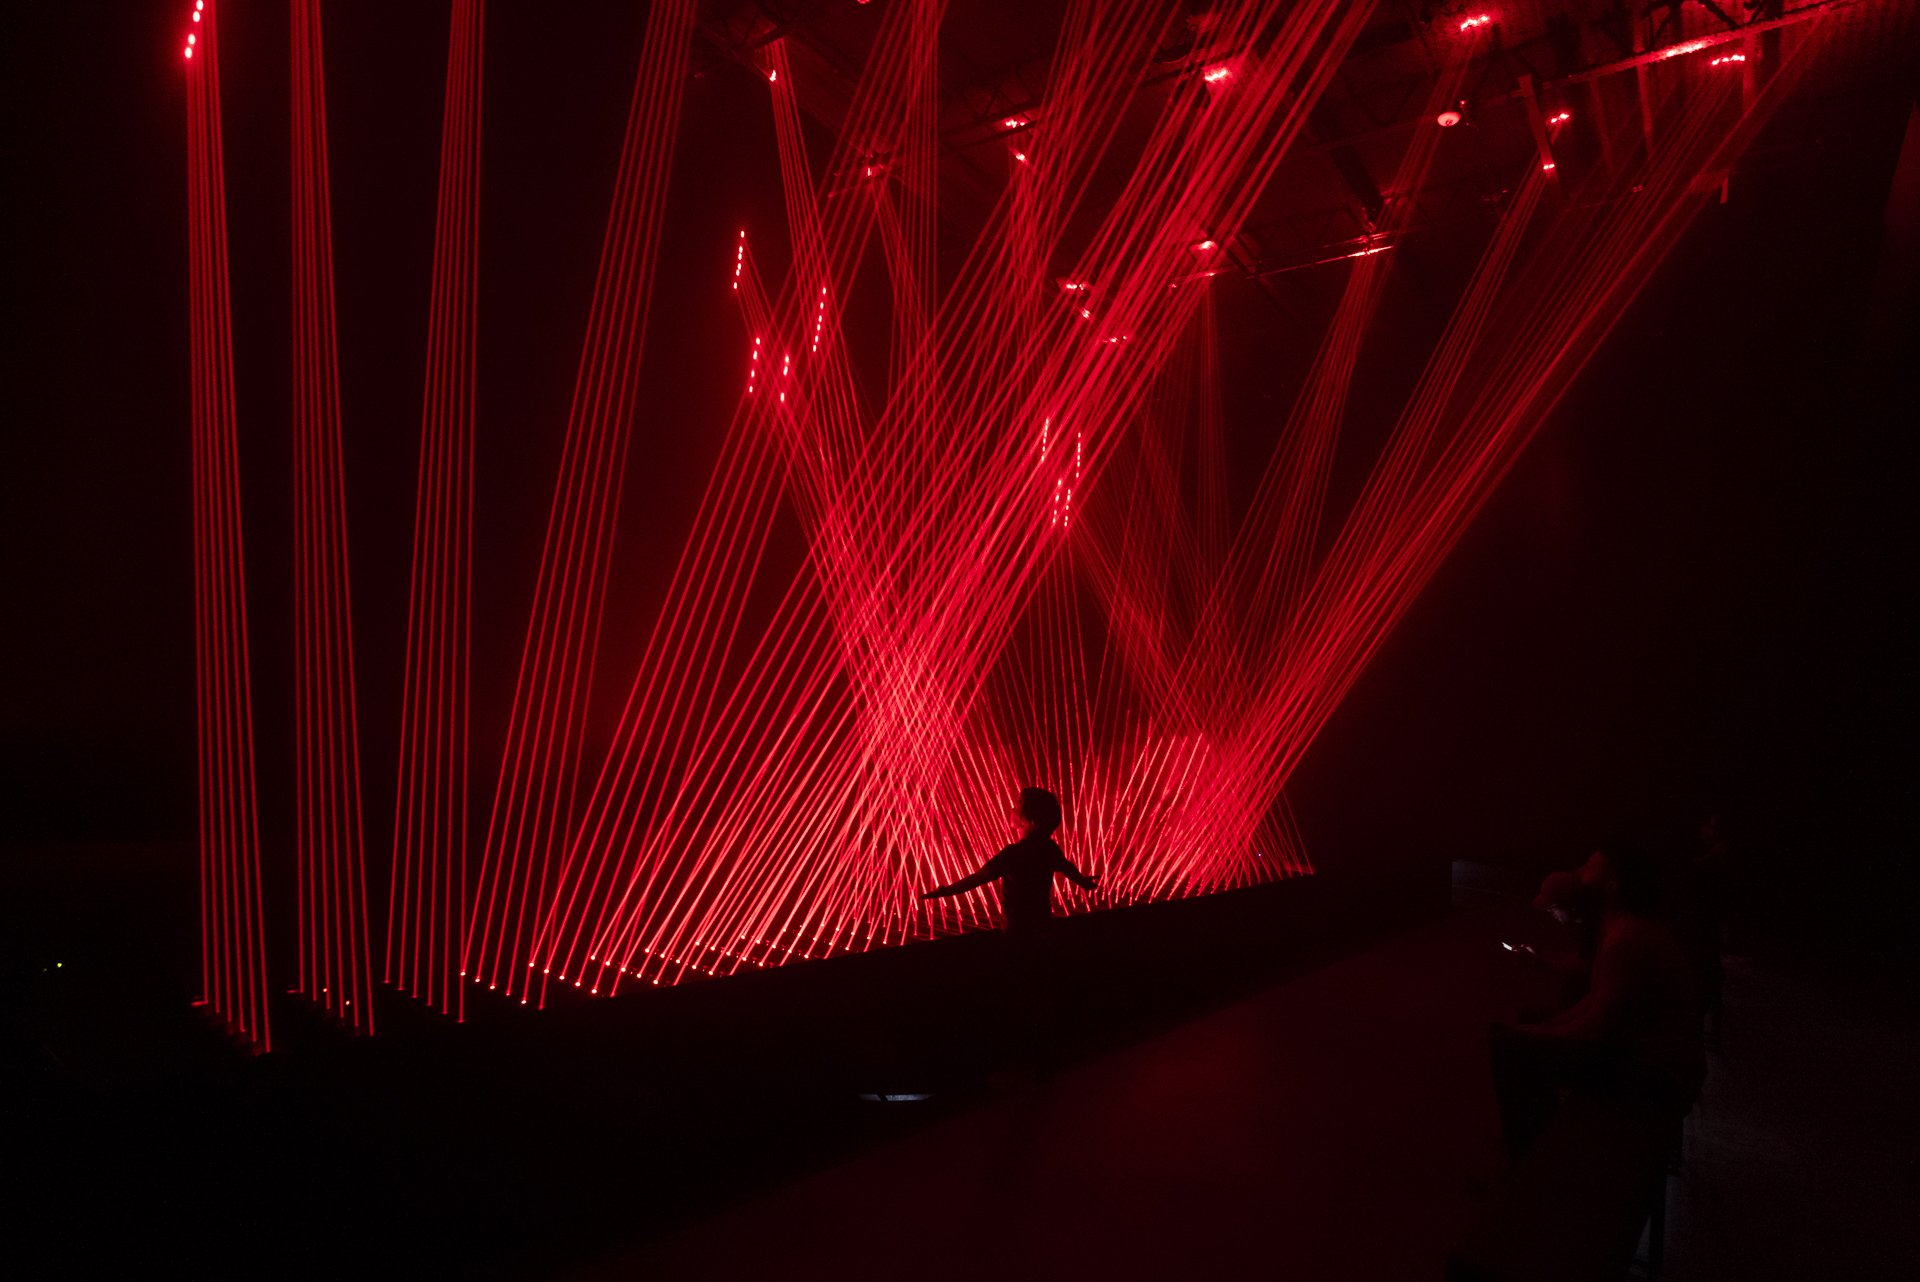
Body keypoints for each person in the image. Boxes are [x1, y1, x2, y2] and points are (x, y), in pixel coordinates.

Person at [1489, 842, 1704, 1159]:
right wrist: (1545, 1028)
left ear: (1612, 885)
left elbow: (1596, 1028)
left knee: (1510, 1048)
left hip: (1658, 1079)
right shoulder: (1624, 929)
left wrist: (1532, 1035)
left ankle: (1534, 1164)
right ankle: (1544, 1150)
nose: (1578, 874)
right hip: (1649, 1062)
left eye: (1589, 869)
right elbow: (1595, 1003)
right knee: (1524, 1033)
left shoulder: (1626, 941)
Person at [920, 786, 1097, 934]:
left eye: (1016, 806)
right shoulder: (1049, 848)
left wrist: (947, 891)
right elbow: (1067, 867)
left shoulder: (1015, 854)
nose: (1011, 809)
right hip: (1042, 923)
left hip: (1017, 929)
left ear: (1027, 819)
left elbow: (978, 878)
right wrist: (1083, 882)